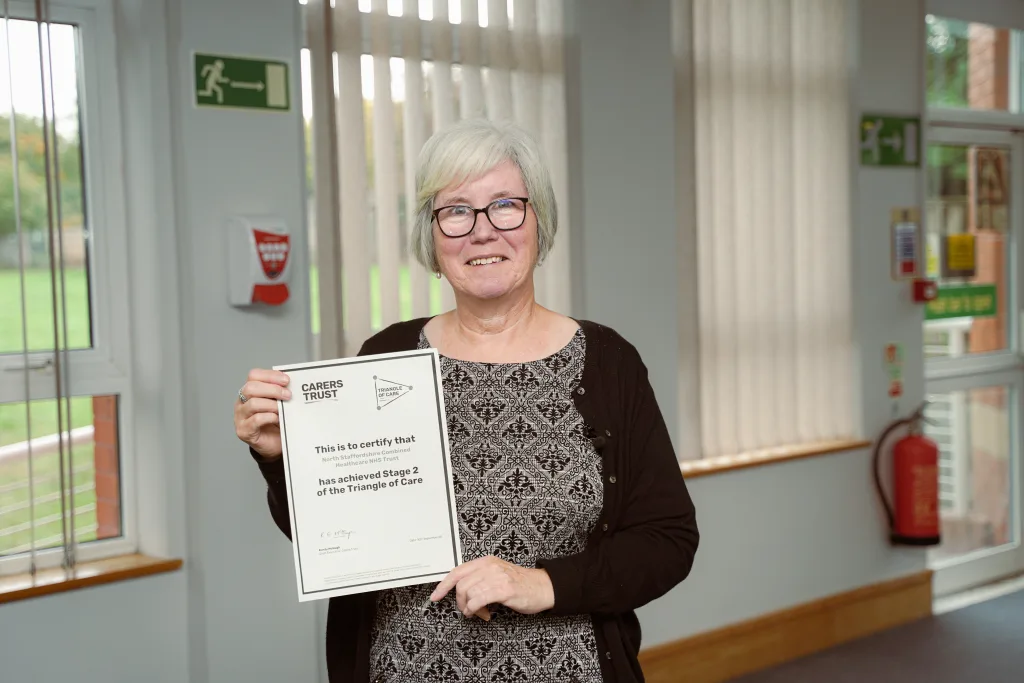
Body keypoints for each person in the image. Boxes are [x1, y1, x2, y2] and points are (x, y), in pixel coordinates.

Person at [234, 118, 699, 683]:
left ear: (537, 220)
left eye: (504, 205)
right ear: (431, 235)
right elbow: (340, 540)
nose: (482, 231)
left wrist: (540, 583)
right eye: (455, 210)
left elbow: (666, 541)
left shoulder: (607, 363)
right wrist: (284, 461)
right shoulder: (387, 355)